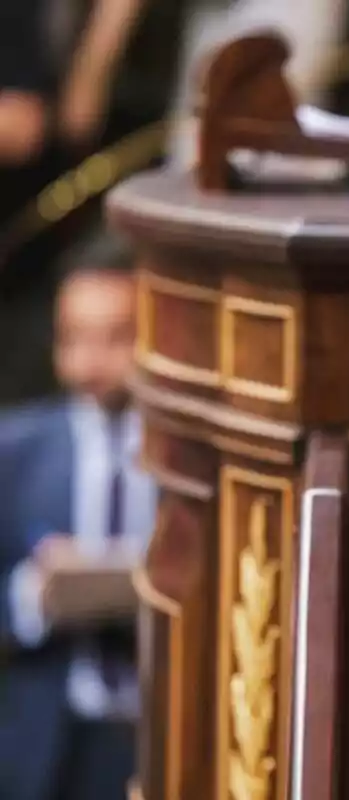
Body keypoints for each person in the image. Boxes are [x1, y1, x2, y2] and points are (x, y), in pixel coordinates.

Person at [0, 238, 155, 800]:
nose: (91, 362)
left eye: (116, 338)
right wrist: (34, 594)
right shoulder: (16, 451)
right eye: (75, 338)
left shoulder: (193, 460)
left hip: (158, 725)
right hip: (51, 742)